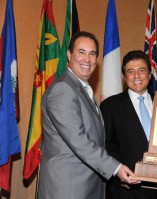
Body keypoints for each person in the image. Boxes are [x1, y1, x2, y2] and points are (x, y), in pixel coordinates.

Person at [37, 31, 138, 199]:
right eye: (81, 52)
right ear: (69, 55)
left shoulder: (81, 89)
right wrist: (116, 168)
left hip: (87, 185)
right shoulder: (63, 90)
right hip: (67, 188)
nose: (87, 59)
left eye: (92, 54)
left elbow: (97, 139)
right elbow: (79, 141)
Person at [100, 50, 157, 199]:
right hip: (126, 190)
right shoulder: (110, 106)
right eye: (131, 72)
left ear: (149, 75)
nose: (137, 76)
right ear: (125, 78)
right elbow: (105, 147)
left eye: (141, 70)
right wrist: (118, 174)